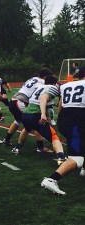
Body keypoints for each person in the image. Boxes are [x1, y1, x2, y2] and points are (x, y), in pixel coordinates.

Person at [41, 66, 85, 195]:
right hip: (76, 122)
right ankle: (51, 179)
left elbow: (60, 105)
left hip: (65, 119)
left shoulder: (65, 85)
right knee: (77, 159)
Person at [11, 75, 67, 164]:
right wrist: (43, 114)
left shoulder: (39, 87)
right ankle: (61, 156)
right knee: (53, 136)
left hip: (26, 114)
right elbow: (43, 98)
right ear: (54, 83)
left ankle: (17, 148)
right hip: (35, 115)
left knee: (26, 129)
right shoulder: (52, 88)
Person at [3, 68, 52, 151]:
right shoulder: (43, 83)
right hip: (21, 102)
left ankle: (7, 139)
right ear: (46, 76)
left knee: (18, 121)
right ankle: (40, 147)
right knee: (36, 122)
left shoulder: (32, 78)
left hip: (13, 100)